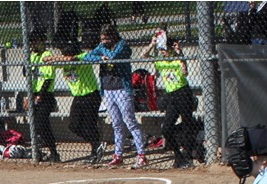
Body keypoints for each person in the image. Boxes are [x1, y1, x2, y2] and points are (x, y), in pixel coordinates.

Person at [82, 25, 147, 169]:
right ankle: (118, 155)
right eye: (102, 39)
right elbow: (87, 57)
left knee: (129, 121)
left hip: (122, 89)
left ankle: (141, 154)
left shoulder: (122, 45)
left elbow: (114, 56)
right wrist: (100, 56)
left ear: (113, 36)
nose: (104, 41)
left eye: (106, 38)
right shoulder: (102, 47)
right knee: (116, 124)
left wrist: (104, 52)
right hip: (108, 89)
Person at [45, 40, 105, 164]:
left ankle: (95, 152)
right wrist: (56, 58)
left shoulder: (83, 56)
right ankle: (97, 143)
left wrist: (60, 59)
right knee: (74, 125)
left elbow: (73, 60)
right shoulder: (64, 61)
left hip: (91, 95)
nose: (63, 55)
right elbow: (47, 60)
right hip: (78, 97)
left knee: (89, 125)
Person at [143, 34, 195, 168]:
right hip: (171, 95)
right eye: (162, 50)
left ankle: (188, 155)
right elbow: (144, 55)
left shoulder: (177, 60)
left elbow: (185, 72)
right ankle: (178, 155)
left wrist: (180, 52)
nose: (163, 52)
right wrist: (152, 44)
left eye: (165, 49)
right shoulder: (161, 62)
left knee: (187, 123)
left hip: (183, 93)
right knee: (166, 128)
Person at [28, 30, 60, 163]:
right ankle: (38, 152)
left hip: (45, 94)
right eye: (32, 42)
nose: (33, 45)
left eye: (36, 42)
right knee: (35, 124)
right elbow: (26, 73)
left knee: (42, 123)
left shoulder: (47, 55)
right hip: (33, 93)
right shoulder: (32, 56)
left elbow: (48, 78)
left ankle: (54, 152)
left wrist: (40, 95)